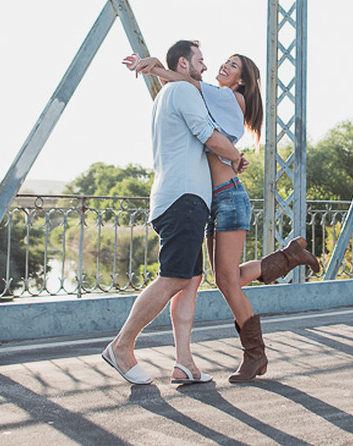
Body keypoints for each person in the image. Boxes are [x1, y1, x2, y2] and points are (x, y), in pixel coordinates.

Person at [124, 49, 321, 383]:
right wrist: (158, 68)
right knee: (222, 278)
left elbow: (187, 84)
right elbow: (183, 87)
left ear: (242, 80)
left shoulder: (231, 99)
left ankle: (255, 355)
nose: (224, 66)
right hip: (214, 200)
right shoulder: (213, 99)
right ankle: (287, 257)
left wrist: (157, 66)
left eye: (234, 66)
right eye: (225, 61)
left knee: (228, 282)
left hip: (228, 196)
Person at [101, 40, 245, 386]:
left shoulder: (171, 93)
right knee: (176, 277)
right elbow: (209, 136)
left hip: (182, 198)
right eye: (200, 60)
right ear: (184, 64)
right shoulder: (182, 92)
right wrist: (236, 157)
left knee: (189, 282)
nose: (206, 67)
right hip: (183, 198)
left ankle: (185, 363)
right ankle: (121, 346)